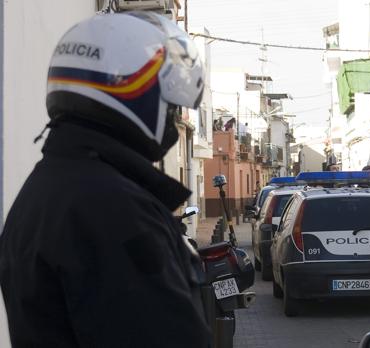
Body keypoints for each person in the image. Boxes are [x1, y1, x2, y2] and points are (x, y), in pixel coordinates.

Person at [0, 12, 211, 347]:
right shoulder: (114, 211)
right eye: (171, 109)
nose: (174, 122)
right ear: (134, 93)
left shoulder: (46, 188)